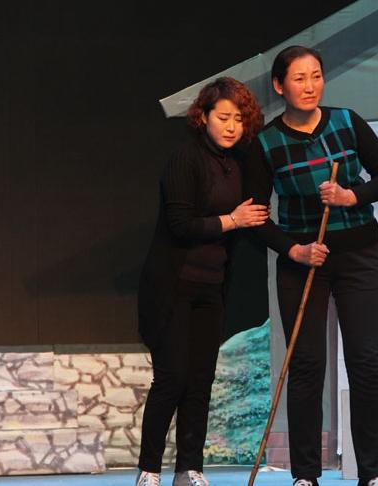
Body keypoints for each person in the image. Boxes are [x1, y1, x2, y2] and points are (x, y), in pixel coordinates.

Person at [244, 46, 378, 486]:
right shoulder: (266, 143)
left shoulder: (347, 122)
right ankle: (305, 474)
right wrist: (293, 250)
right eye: (299, 78)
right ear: (279, 86)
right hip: (303, 261)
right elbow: (256, 216)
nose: (310, 86)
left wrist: (352, 196)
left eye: (316, 76)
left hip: (358, 256)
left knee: (365, 362)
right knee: (307, 365)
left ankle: (372, 472)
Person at [136, 77, 268, 486]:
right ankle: (149, 469)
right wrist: (232, 220)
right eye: (223, 117)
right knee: (172, 377)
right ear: (204, 117)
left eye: (239, 119)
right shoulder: (186, 159)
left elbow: (256, 214)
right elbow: (180, 224)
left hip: (212, 285)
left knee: (200, 380)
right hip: (173, 284)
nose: (231, 126)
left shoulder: (238, 162)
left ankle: (189, 468)